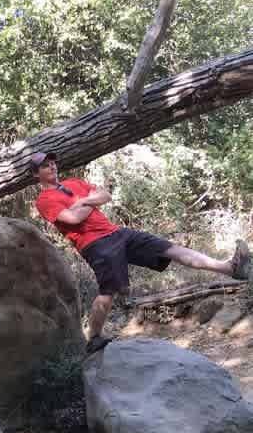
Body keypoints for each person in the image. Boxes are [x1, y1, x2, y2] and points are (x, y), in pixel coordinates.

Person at [31, 151, 251, 354]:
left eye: (53, 163)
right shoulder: (44, 200)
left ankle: (230, 268)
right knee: (109, 292)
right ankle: (94, 338)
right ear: (36, 174)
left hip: (118, 233)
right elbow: (73, 219)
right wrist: (90, 201)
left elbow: (105, 195)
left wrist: (84, 201)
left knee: (170, 249)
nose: (52, 167)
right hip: (96, 245)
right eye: (45, 166)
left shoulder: (74, 183)